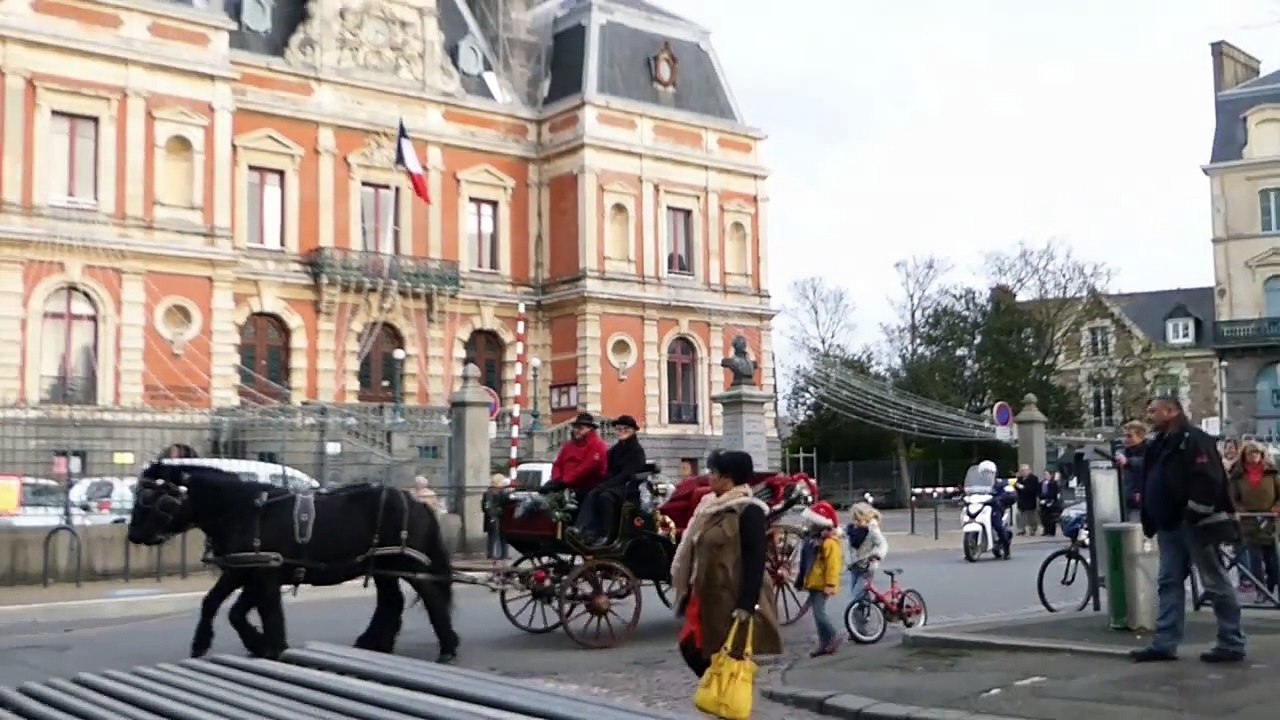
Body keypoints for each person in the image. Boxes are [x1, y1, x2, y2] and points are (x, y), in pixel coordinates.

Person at [1133, 396, 1245, 664]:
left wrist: (1195, 511)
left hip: (1194, 523)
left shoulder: (1195, 440)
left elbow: (1209, 478)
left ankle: (1231, 641)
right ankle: (1165, 643)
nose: (1149, 416)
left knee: (1214, 582)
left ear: (1171, 412)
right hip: (1170, 523)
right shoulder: (1159, 444)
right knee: (1169, 582)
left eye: (1154, 411)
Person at [672, 449, 782, 677]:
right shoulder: (710, 507)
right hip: (705, 594)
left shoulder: (748, 510)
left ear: (727, 479)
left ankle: (726, 700)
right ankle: (718, 693)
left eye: (713, 472)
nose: (709, 476)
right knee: (693, 648)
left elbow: (755, 559)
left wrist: (746, 604)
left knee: (720, 653)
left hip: (729, 596)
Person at [569, 414, 647, 546]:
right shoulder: (615, 449)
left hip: (628, 488)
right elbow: (605, 467)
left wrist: (605, 485)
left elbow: (627, 474)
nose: (621, 431)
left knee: (605, 496)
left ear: (633, 431)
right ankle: (585, 529)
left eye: (625, 429)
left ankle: (607, 535)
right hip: (614, 485)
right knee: (589, 492)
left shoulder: (636, 451)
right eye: (619, 429)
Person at [1227, 441, 1280, 602]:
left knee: (1273, 559)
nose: (1254, 455)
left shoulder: (1271, 473)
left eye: (1257, 452)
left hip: (1270, 519)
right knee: (1254, 558)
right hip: (1249, 520)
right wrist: (1240, 510)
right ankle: (1260, 590)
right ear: (1245, 455)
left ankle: (1272, 587)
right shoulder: (1237, 475)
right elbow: (1232, 497)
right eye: (1251, 453)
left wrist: (1276, 507)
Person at [795, 500, 843, 656]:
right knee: (817, 615)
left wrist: (830, 584)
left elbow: (833, 566)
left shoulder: (829, 543)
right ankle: (825, 643)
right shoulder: (813, 540)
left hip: (822, 584)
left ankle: (832, 636)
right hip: (815, 583)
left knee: (819, 614)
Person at [543, 413, 607, 501]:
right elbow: (558, 464)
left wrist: (564, 482)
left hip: (587, 487)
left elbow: (586, 468)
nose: (576, 430)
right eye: (575, 427)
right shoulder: (568, 446)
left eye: (580, 428)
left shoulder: (597, 446)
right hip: (566, 485)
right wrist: (556, 480)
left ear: (590, 429)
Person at [844, 502, 888, 608]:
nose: (855, 522)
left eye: (858, 520)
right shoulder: (851, 530)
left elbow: (882, 544)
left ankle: (855, 616)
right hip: (854, 565)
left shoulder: (872, 530)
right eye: (854, 519)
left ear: (865, 518)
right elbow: (843, 535)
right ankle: (865, 612)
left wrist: (877, 555)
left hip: (867, 567)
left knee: (855, 595)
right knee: (860, 591)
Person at [1116, 421, 1148, 522]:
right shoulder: (1124, 451)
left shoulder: (1149, 450)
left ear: (1140, 437)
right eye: (1125, 436)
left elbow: (1147, 464)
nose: (1126, 439)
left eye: (1130, 436)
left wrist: (1128, 462)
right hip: (1125, 501)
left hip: (1140, 503)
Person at [482, 474, 508, 561]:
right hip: (494, 517)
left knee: (499, 536)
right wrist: (493, 514)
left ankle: (500, 554)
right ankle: (495, 554)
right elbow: (487, 506)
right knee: (495, 536)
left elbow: (484, 506)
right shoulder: (491, 493)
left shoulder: (490, 493)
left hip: (497, 517)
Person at [1014, 464, 1041, 536]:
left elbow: (1033, 489)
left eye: (1025, 470)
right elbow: (1016, 487)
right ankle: (1021, 529)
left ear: (1029, 470)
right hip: (1021, 500)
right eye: (1022, 470)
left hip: (1030, 499)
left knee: (1030, 516)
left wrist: (1023, 487)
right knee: (1019, 515)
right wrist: (1016, 485)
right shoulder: (1020, 478)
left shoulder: (1033, 478)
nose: (1023, 472)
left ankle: (1033, 528)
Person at [1038, 470, 1063, 536]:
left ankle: (1051, 532)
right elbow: (1038, 492)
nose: (1045, 476)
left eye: (1047, 474)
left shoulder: (1053, 483)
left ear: (1050, 475)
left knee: (1051, 518)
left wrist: (1048, 500)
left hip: (1051, 502)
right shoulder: (1041, 483)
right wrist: (1041, 498)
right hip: (1042, 502)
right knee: (1044, 517)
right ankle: (1046, 530)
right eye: (1044, 474)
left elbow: (1054, 493)